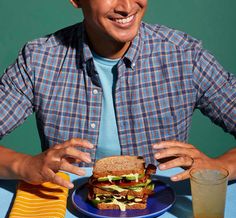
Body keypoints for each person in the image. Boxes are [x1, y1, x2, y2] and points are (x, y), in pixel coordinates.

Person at [0, 0, 235, 189]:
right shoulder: (38, 60)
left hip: (165, 216)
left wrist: (220, 167)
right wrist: (24, 164)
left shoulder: (185, 55)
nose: (126, 6)